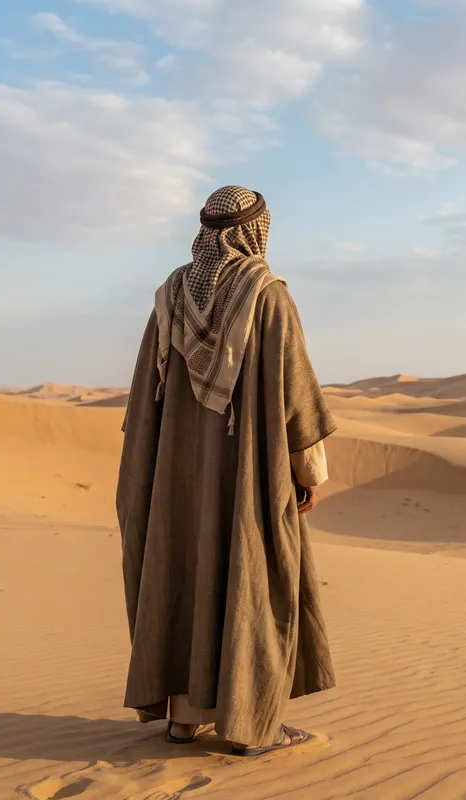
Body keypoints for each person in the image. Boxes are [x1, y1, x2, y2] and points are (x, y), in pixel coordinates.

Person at [116, 185, 337, 757]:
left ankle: (185, 720)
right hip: (245, 468)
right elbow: (295, 397)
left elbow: (146, 397)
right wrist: (307, 469)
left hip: (176, 475)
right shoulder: (267, 297)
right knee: (251, 573)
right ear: (254, 231)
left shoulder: (170, 295)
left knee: (185, 567)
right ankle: (250, 726)